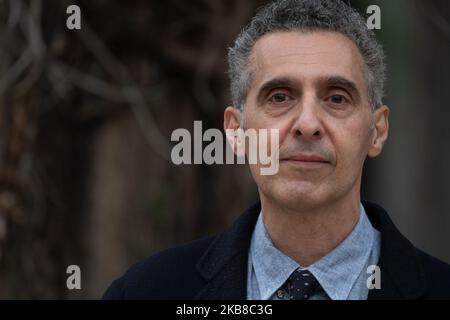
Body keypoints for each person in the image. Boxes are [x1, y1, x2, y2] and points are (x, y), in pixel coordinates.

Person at [103, 0, 450, 300]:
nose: (308, 123)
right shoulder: (147, 291)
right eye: (280, 97)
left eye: (336, 98)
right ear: (236, 132)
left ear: (377, 131)